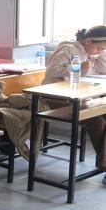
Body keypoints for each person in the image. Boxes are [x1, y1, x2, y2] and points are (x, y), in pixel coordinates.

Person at [43, 26, 106, 182]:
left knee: (102, 114)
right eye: (98, 48)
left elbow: (102, 69)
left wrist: (99, 55)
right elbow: (52, 70)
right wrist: (77, 67)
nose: (98, 51)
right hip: (55, 98)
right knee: (95, 120)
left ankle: (105, 163)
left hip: (75, 97)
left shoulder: (87, 53)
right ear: (88, 40)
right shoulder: (69, 49)